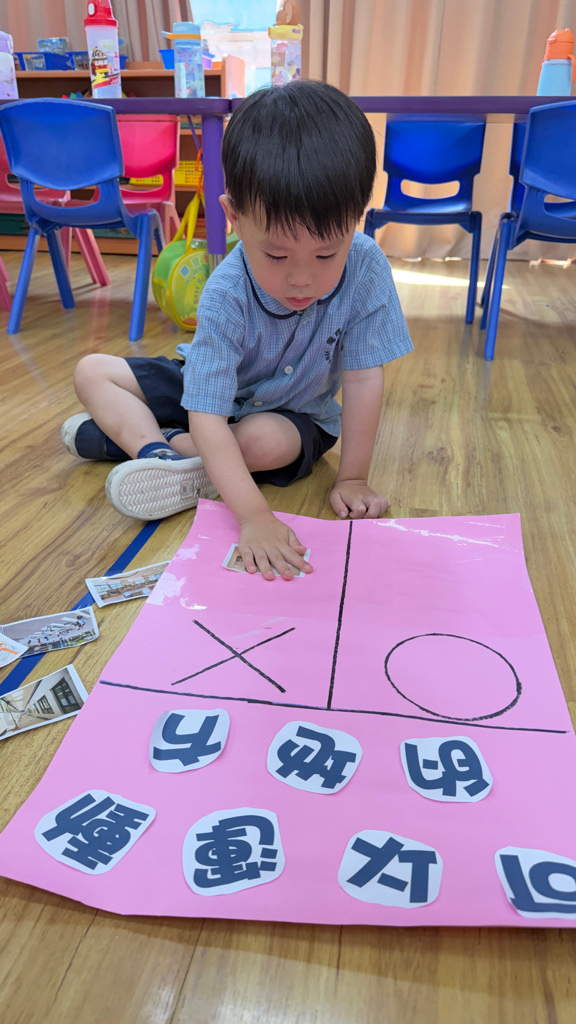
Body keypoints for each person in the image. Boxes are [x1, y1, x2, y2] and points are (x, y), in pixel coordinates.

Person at [61, 80, 413, 581]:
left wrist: (353, 477)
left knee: (262, 442)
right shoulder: (225, 290)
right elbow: (207, 409)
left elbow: (362, 378)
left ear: (356, 218)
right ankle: (161, 453)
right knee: (92, 371)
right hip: (212, 396)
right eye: (276, 255)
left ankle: (138, 442)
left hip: (294, 415)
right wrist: (253, 516)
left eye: (326, 254)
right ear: (234, 218)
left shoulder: (367, 266)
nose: (302, 278)